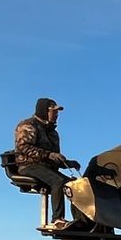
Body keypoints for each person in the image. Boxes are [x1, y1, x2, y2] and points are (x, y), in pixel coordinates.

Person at [12, 97, 80, 230]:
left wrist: (67, 163)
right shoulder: (28, 125)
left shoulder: (53, 133)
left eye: (57, 112)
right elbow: (23, 147)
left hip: (47, 168)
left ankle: (80, 222)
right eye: (53, 111)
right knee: (58, 181)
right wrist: (48, 155)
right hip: (29, 165)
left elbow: (55, 158)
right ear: (44, 111)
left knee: (74, 185)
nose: (56, 115)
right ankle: (57, 220)